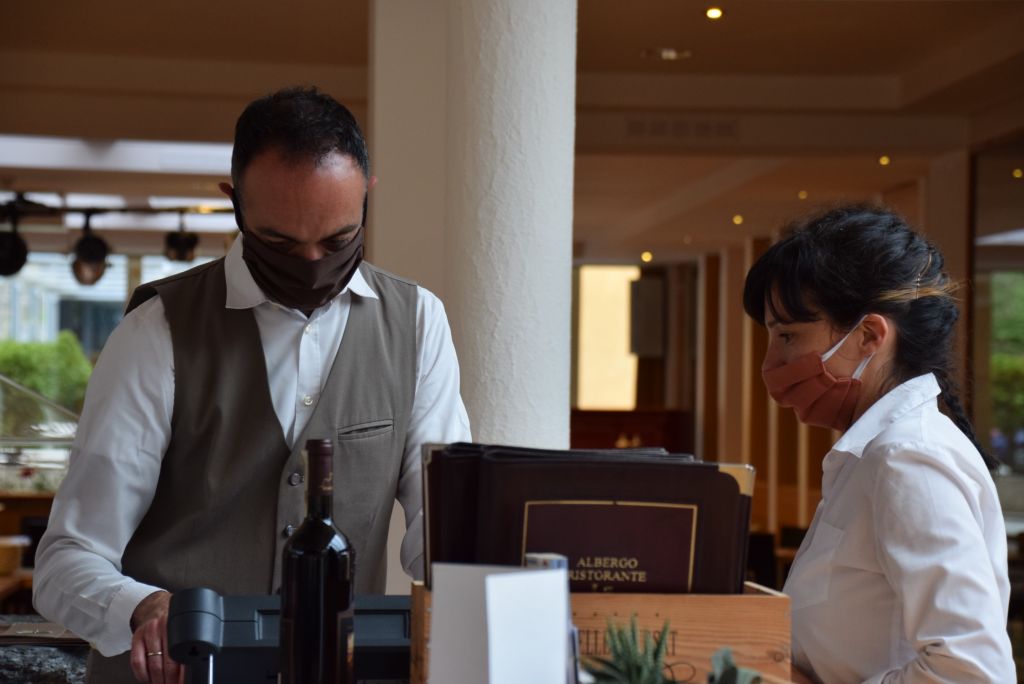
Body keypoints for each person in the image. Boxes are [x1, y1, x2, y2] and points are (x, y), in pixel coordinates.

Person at [32, 87, 471, 684]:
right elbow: (66, 561)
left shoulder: (418, 324)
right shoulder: (157, 330)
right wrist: (142, 606)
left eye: (338, 240)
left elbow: (444, 537)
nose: (312, 262)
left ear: (367, 194)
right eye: (281, 243)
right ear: (233, 202)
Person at [743, 204, 1015, 682]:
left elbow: (971, 673)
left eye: (787, 336)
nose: (771, 364)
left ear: (868, 335)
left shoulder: (908, 459)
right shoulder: (871, 453)